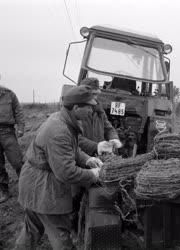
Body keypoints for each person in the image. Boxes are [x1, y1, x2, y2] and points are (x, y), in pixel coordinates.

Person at [14, 85, 104, 249]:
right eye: (89, 107)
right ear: (76, 107)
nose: (92, 110)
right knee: (61, 237)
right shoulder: (59, 130)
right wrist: (93, 175)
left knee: (31, 230)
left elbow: (72, 149)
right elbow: (67, 172)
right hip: (43, 189)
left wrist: (88, 159)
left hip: (34, 183)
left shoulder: (63, 119)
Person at [78, 77, 122, 155]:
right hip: (81, 156)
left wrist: (114, 139)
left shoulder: (99, 111)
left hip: (97, 155)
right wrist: (96, 146)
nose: (95, 97)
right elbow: (75, 138)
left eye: (96, 94)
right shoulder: (76, 112)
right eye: (92, 94)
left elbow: (108, 128)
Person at [0, 85, 25, 203]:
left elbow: (18, 110)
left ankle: (27, 187)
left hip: (7, 131)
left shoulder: (9, 94)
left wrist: (21, 127)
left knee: (17, 161)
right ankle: (4, 191)